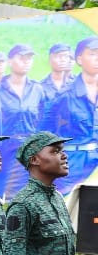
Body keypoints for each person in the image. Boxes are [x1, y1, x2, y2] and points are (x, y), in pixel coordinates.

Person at [0, 44, 43, 198]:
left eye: (29, 58)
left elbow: (42, 119)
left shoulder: (37, 89)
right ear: (10, 61)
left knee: (26, 195)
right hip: (3, 148)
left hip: (29, 148)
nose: (26, 61)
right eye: (22, 58)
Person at [44, 38, 98, 192]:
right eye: (93, 54)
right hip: (73, 164)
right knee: (68, 210)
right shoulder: (64, 96)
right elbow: (44, 133)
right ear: (79, 59)